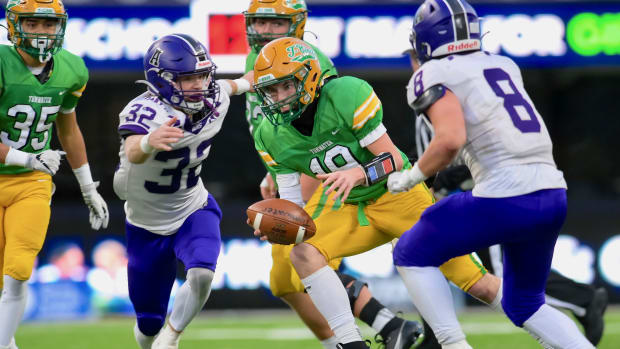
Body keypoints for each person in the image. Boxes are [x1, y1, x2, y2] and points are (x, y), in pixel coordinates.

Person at [251, 37, 507, 348]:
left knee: (477, 283)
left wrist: (358, 173)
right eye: (271, 91)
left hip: (397, 195)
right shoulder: (270, 133)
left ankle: (543, 322)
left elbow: (395, 159)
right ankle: (350, 343)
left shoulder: (345, 94)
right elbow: (294, 205)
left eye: (286, 86)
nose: (279, 98)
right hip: (349, 206)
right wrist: (283, 224)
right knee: (303, 253)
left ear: (310, 77)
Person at [388, 0, 594, 348]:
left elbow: (450, 140)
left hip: (506, 196)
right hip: (552, 194)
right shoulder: (502, 63)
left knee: (410, 251)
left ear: (425, 39)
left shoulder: (432, 73)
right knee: (524, 302)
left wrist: (411, 176)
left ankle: (453, 344)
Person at [243, 1, 423, 348]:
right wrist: (273, 175)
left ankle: (363, 335)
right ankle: (382, 327)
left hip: (328, 176)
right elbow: (277, 135)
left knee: (301, 260)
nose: (264, 30)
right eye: (259, 22)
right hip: (291, 172)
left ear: (297, 24)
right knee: (285, 280)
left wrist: (295, 206)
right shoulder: (259, 60)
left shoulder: (309, 61)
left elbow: (317, 140)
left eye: (273, 22)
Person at [112, 33, 252, 349]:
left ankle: (172, 337)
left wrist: (268, 70)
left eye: (203, 75)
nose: (200, 84)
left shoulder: (215, 98)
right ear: (161, 80)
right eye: (189, 78)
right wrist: (149, 141)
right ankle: (155, 340)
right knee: (148, 323)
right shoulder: (146, 111)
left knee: (202, 272)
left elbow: (240, 83)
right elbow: (133, 148)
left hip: (193, 206)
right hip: (146, 225)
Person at [0, 0, 108, 348]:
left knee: (18, 270)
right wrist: (27, 158)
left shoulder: (72, 69)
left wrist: (88, 187)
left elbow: (69, 130)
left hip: (31, 185)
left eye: (49, 25)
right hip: (19, 168)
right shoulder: (1, 64)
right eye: (33, 24)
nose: (42, 32)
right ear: (15, 26)